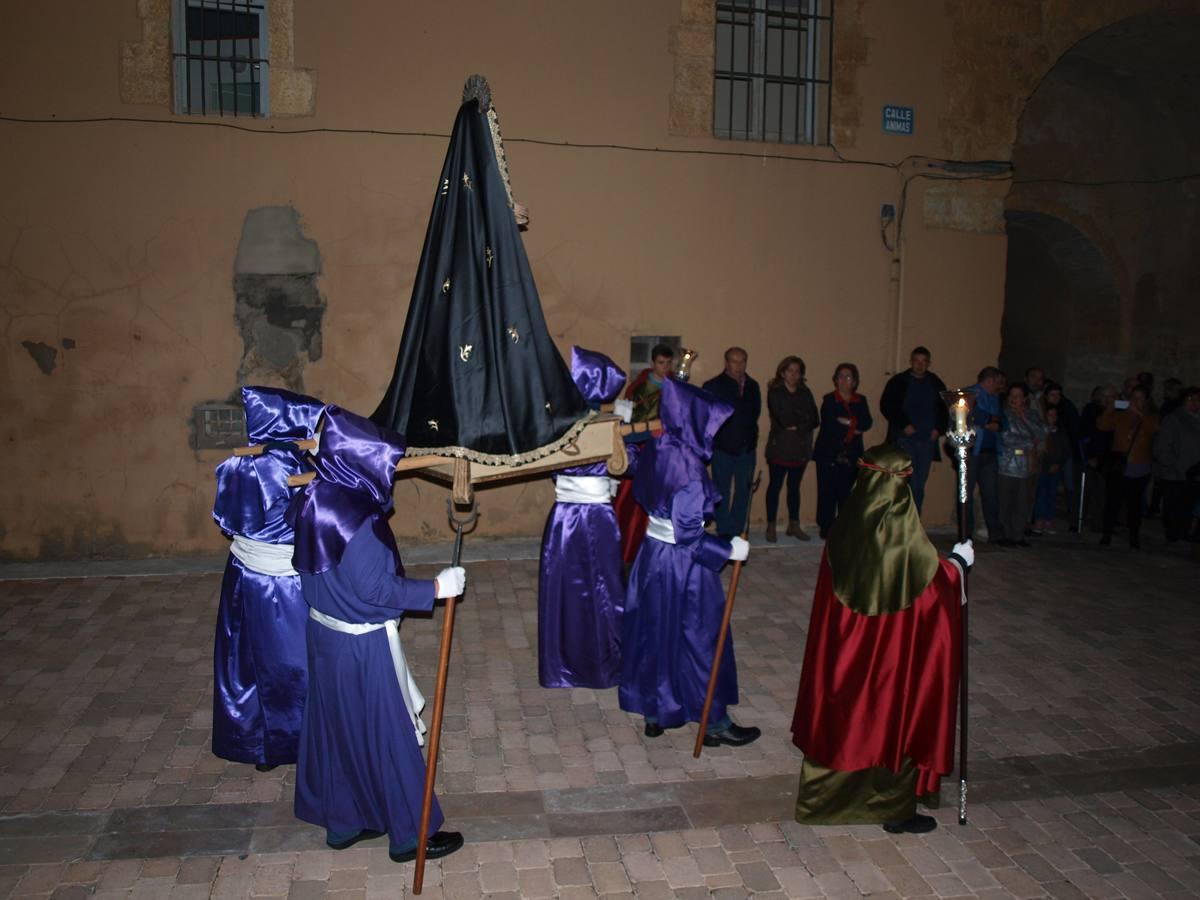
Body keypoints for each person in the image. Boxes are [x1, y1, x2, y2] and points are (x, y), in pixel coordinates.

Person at [289, 405, 465, 863]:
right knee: (390, 735)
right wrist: (437, 588)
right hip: (361, 646)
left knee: (340, 729)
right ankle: (412, 835)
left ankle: (347, 820)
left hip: (325, 636)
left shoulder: (315, 499)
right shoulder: (359, 523)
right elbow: (376, 589)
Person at [790, 443, 970, 834]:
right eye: (904, 481)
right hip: (888, 660)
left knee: (848, 723)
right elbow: (930, 590)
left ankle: (828, 798)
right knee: (889, 720)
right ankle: (892, 808)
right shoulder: (901, 541)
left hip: (846, 654)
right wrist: (956, 566)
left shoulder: (847, 525)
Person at [619, 377, 759, 747]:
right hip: (682, 565)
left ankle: (655, 712)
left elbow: (636, 474)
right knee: (700, 637)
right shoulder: (692, 470)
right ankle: (713, 721)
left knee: (656, 631)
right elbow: (690, 537)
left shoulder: (658, 445)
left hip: (651, 558)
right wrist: (727, 551)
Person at [211, 386, 325, 771]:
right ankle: (299, 743)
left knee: (248, 661)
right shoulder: (293, 466)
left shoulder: (237, 465)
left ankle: (259, 745)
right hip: (284, 586)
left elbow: (226, 520)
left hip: (244, 576)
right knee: (292, 665)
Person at [538, 347, 630, 689]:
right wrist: (625, 431)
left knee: (564, 587)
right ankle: (606, 663)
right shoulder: (606, 426)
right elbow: (627, 464)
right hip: (597, 518)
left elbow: (551, 467)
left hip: (563, 518)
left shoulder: (556, 424)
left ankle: (561, 666)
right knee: (604, 587)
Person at [613, 344, 674, 564]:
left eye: (668, 363)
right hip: (641, 448)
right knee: (633, 498)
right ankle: (629, 545)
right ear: (652, 363)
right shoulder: (638, 387)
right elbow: (626, 418)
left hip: (665, 450)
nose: (665, 368)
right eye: (660, 363)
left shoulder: (676, 385)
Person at [880, 346, 949, 514]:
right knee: (904, 482)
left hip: (926, 441)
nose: (919, 365)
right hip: (905, 440)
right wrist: (904, 425)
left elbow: (945, 408)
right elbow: (887, 405)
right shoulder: (899, 382)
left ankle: (914, 520)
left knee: (919, 484)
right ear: (911, 362)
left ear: (929, 363)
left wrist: (938, 429)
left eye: (923, 362)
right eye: (916, 361)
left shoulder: (935, 383)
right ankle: (900, 520)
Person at [703, 347, 762, 539]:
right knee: (721, 490)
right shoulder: (713, 386)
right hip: (723, 447)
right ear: (726, 363)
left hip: (747, 447)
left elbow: (755, 413)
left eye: (743, 361)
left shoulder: (753, 386)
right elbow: (706, 417)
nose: (739, 366)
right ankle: (725, 530)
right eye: (735, 361)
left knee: (744, 489)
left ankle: (738, 528)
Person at [812, 363, 873, 539]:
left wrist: (847, 422)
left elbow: (867, 423)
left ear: (854, 381)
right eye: (840, 376)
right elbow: (831, 425)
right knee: (826, 491)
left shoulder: (861, 400)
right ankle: (826, 526)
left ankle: (844, 526)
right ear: (835, 380)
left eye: (848, 377)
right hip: (828, 453)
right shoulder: (829, 400)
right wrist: (854, 427)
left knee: (848, 493)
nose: (843, 380)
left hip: (852, 453)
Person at [763, 355, 819, 542]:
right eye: (790, 371)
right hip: (780, 447)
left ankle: (793, 524)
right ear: (782, 372)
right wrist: (802, 420)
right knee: (775, 486)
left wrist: (800, 424)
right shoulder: (775, 392)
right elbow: (784, 420)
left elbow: (815, 419)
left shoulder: (805, 392)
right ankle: (771, 525)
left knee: (794, 488)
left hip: (801, 447)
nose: (794, 375)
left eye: (797, 371)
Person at [1097, 385, 1160, 549]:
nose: (1135, 401)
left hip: (1140, 467)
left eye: (1140, 398)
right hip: (1119, 466)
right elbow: (1102, 425)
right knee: (1113, 502)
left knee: (1134, 505)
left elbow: (1153, 428)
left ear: (1146, 401)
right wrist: (1110, 408)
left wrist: (1139, 413)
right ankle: (1107, 533)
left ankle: (1134, 535)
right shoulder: (1121, 415)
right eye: (1133, 398)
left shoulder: (1151, 417)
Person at [997, 383, 1043, 547]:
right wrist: (1029, 443)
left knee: (1023, 501)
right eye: (1011, 395)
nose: (1014, 399)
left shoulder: (1032, 415)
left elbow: (1040, 433)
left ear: (1024, 399)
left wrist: (1023, 418)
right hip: (1007, 464)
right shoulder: (1003, 415)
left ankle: (1018, 535)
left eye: (1017, 396)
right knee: (1006, 500)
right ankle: (1006, 534)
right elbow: (1006, 438)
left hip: (1026, 466)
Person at [961, 367, 1004, 543]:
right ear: (990, 380)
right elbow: (971, 415)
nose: (1000, 385)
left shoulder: (995, 398)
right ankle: (966, 533)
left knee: (991, 494)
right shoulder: (971, 394)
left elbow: (1003, 420)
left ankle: (995, 534)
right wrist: (989, 421)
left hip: (991, 452)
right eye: (997, 381)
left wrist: (992, 421)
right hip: (973, 451)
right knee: (967, 494)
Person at [1156, 387, 1200, 543]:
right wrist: (1172, 465)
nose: (1195, 403)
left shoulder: (1197, 419)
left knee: (1188, 506)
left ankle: (1183, 531)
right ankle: (1173, 533)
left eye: (1197, 400)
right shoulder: (1173, 419)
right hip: (1175, 473)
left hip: (1194, 473)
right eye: (1191, 399)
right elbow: (1162, 446)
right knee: (1173, 506)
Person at [1042, 382, 1082, 531]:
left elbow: (1071, 433)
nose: (1056, 398)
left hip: (1064, 454)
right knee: (1043, 488)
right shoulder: (1042, 411)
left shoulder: (1066, 409)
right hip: (1046, 456)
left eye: (1058, 395)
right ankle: (1040, 518)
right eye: (1052, 395)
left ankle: (1072, 519)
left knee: (1069, 486)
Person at [1034, 405, 1068, 533]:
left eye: (1054, 415)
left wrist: (1058, 463)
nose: (1052, 418)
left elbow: (1065, 450)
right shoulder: (1041, 431)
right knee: (1041, 494)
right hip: (1042, 468)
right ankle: (1039, 519)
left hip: (1055, 468)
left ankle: (1049, 520)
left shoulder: (1060, 432)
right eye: (1050, 415)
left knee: (1051, 495)